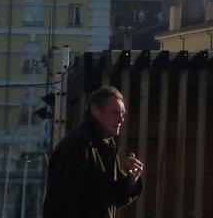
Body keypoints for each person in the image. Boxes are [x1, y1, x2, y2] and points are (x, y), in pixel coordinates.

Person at [43, 85, 145, 218]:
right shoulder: (77, 146)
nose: (121, 119)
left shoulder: (105, 145)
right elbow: (61, 205)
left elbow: (114, 198)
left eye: (122, 113)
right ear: (96, 111)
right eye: (115, 112)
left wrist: (131, 180)